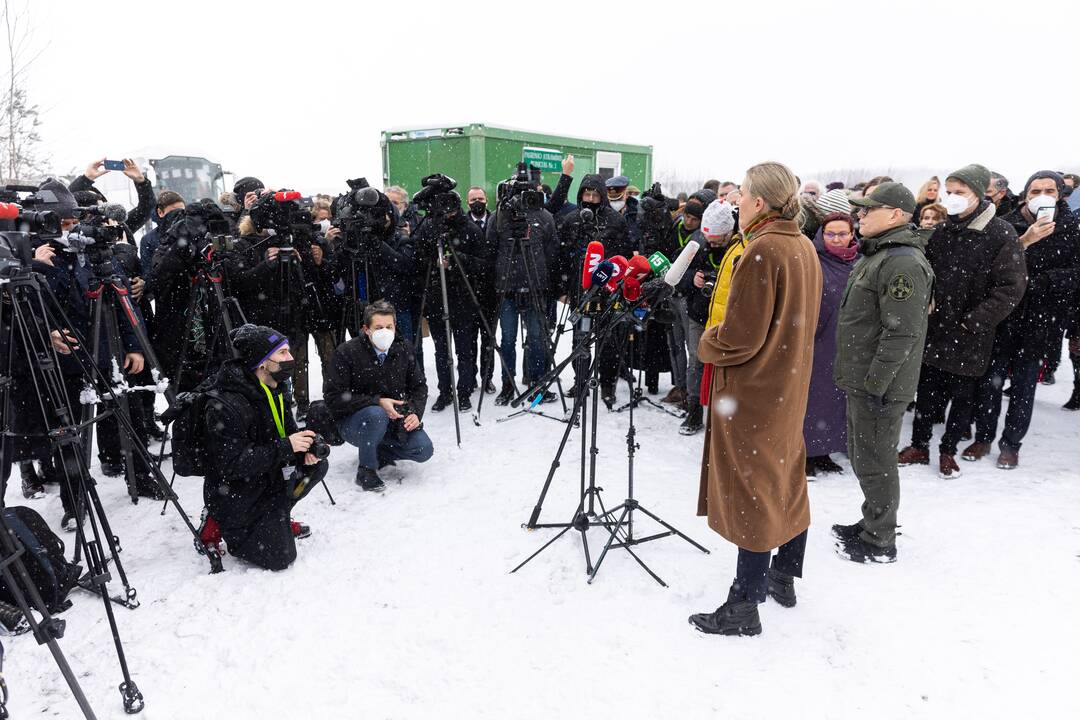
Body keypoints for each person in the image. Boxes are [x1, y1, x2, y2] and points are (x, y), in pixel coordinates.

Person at [690, 162, 822, 637]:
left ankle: (744, 604)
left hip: (755, 390)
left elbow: (740, 337)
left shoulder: (764, 249)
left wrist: (707, 342)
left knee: (754, 487)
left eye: (742, 194)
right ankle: (784, 575)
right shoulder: (802, 245)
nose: (736, 201)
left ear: (761, 202)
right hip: (786, 384)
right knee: (784, 475)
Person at [897, 165, 1026, 478]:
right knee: (926, 392)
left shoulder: (1000, 232)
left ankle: (948, 450)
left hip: (971, 332)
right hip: (936, 325)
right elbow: (927, 271)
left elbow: (1011, 285)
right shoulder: (942, 230)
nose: (952, 198)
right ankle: (919, 445)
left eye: (960, 192)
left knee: (962, 396)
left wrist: (975, 321)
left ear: (978, 194)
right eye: (949, 192)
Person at [833, 182, 933, 563]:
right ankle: (872, 521)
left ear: (895, 214)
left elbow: (902, 331)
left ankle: (879, 539)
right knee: (864, 456)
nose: (859, 215)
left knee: (876, 461)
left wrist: (876, 383)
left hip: (881, 384)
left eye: (868, 210)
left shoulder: (902, 261)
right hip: (865, 379)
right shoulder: (880, 254)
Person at [965, 171, 1080, 469]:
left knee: (1025, 385)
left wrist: (1038, 283)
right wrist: (1024, 241)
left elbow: (1076, 273)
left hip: (1042, 317)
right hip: (1003, 314)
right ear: (1026, 194)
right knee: (990, 382)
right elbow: (987, 265)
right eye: (1035, 190)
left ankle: (1011, 443)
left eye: (1049, 190)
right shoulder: (1005, 225)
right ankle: (984, 436)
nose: (1042, 194)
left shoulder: (1072, 227)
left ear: (1060, 195)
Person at [200, 325, 327, 571]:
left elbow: (286, 433)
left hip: (265, 476)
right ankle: (218, 523)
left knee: (315, 466)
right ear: (261, 364)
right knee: (281, 557)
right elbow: (232, 465)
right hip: (235, 492)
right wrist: (286, 447)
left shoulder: (274, 388)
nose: (291, 359)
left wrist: (306, 447)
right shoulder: (227, 404)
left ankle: (277, 515)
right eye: (283, 354)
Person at [322, 302, 433, 493]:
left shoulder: (403, 348)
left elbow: (419, 386)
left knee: (423, 449)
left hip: (394, 418)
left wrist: (414, 412)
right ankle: (366, 470)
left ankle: (377, 449)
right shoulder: (347, 352)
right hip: (354, 421)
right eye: (378, 327)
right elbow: (333, 398)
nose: (385, 332)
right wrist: (377, 402)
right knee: (375, 414)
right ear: (366, 329)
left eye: (389, 327)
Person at [414, 194, 488, 412]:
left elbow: (483, 265)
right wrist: (433, 261)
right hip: (437, 296)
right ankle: (445, 391)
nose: (448, 213)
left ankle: (464, 391)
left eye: (451, 208)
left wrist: (457, 260)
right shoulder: (429, 228)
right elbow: (418, 260)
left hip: (463, 297)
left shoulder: (470, 229)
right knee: (441, 350)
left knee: (465, 349)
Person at [490, 180, 559, 405]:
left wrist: (547, 282)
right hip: (507, 287)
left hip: (535, 287)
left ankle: (538, 383)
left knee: (538, 338)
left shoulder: (543, 216)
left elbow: (552, 251)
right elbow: (490, 247)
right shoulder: (499, 216)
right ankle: (508, 385)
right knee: (507, 339)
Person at [804, 209, 858, 477]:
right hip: (815, 337)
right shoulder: (812, 259)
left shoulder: (858, 262)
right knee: (810, 398)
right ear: (821, 235)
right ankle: (804, 453)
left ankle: (824, 450)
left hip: (844, 341)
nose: (836, 239)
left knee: (836, 398)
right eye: (830, 234)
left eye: (842, 234)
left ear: (851, 235)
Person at [676, 200, 735, 435]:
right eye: (709, 239)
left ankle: (723, 415)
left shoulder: (739, 247)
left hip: (728, 316)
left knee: (726, 368)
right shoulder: (696, 244)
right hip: (699, 314)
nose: (712, 244)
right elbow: (677, 273)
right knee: (696, 364)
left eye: (717, 239)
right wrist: (694, 279)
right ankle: (693, 411)